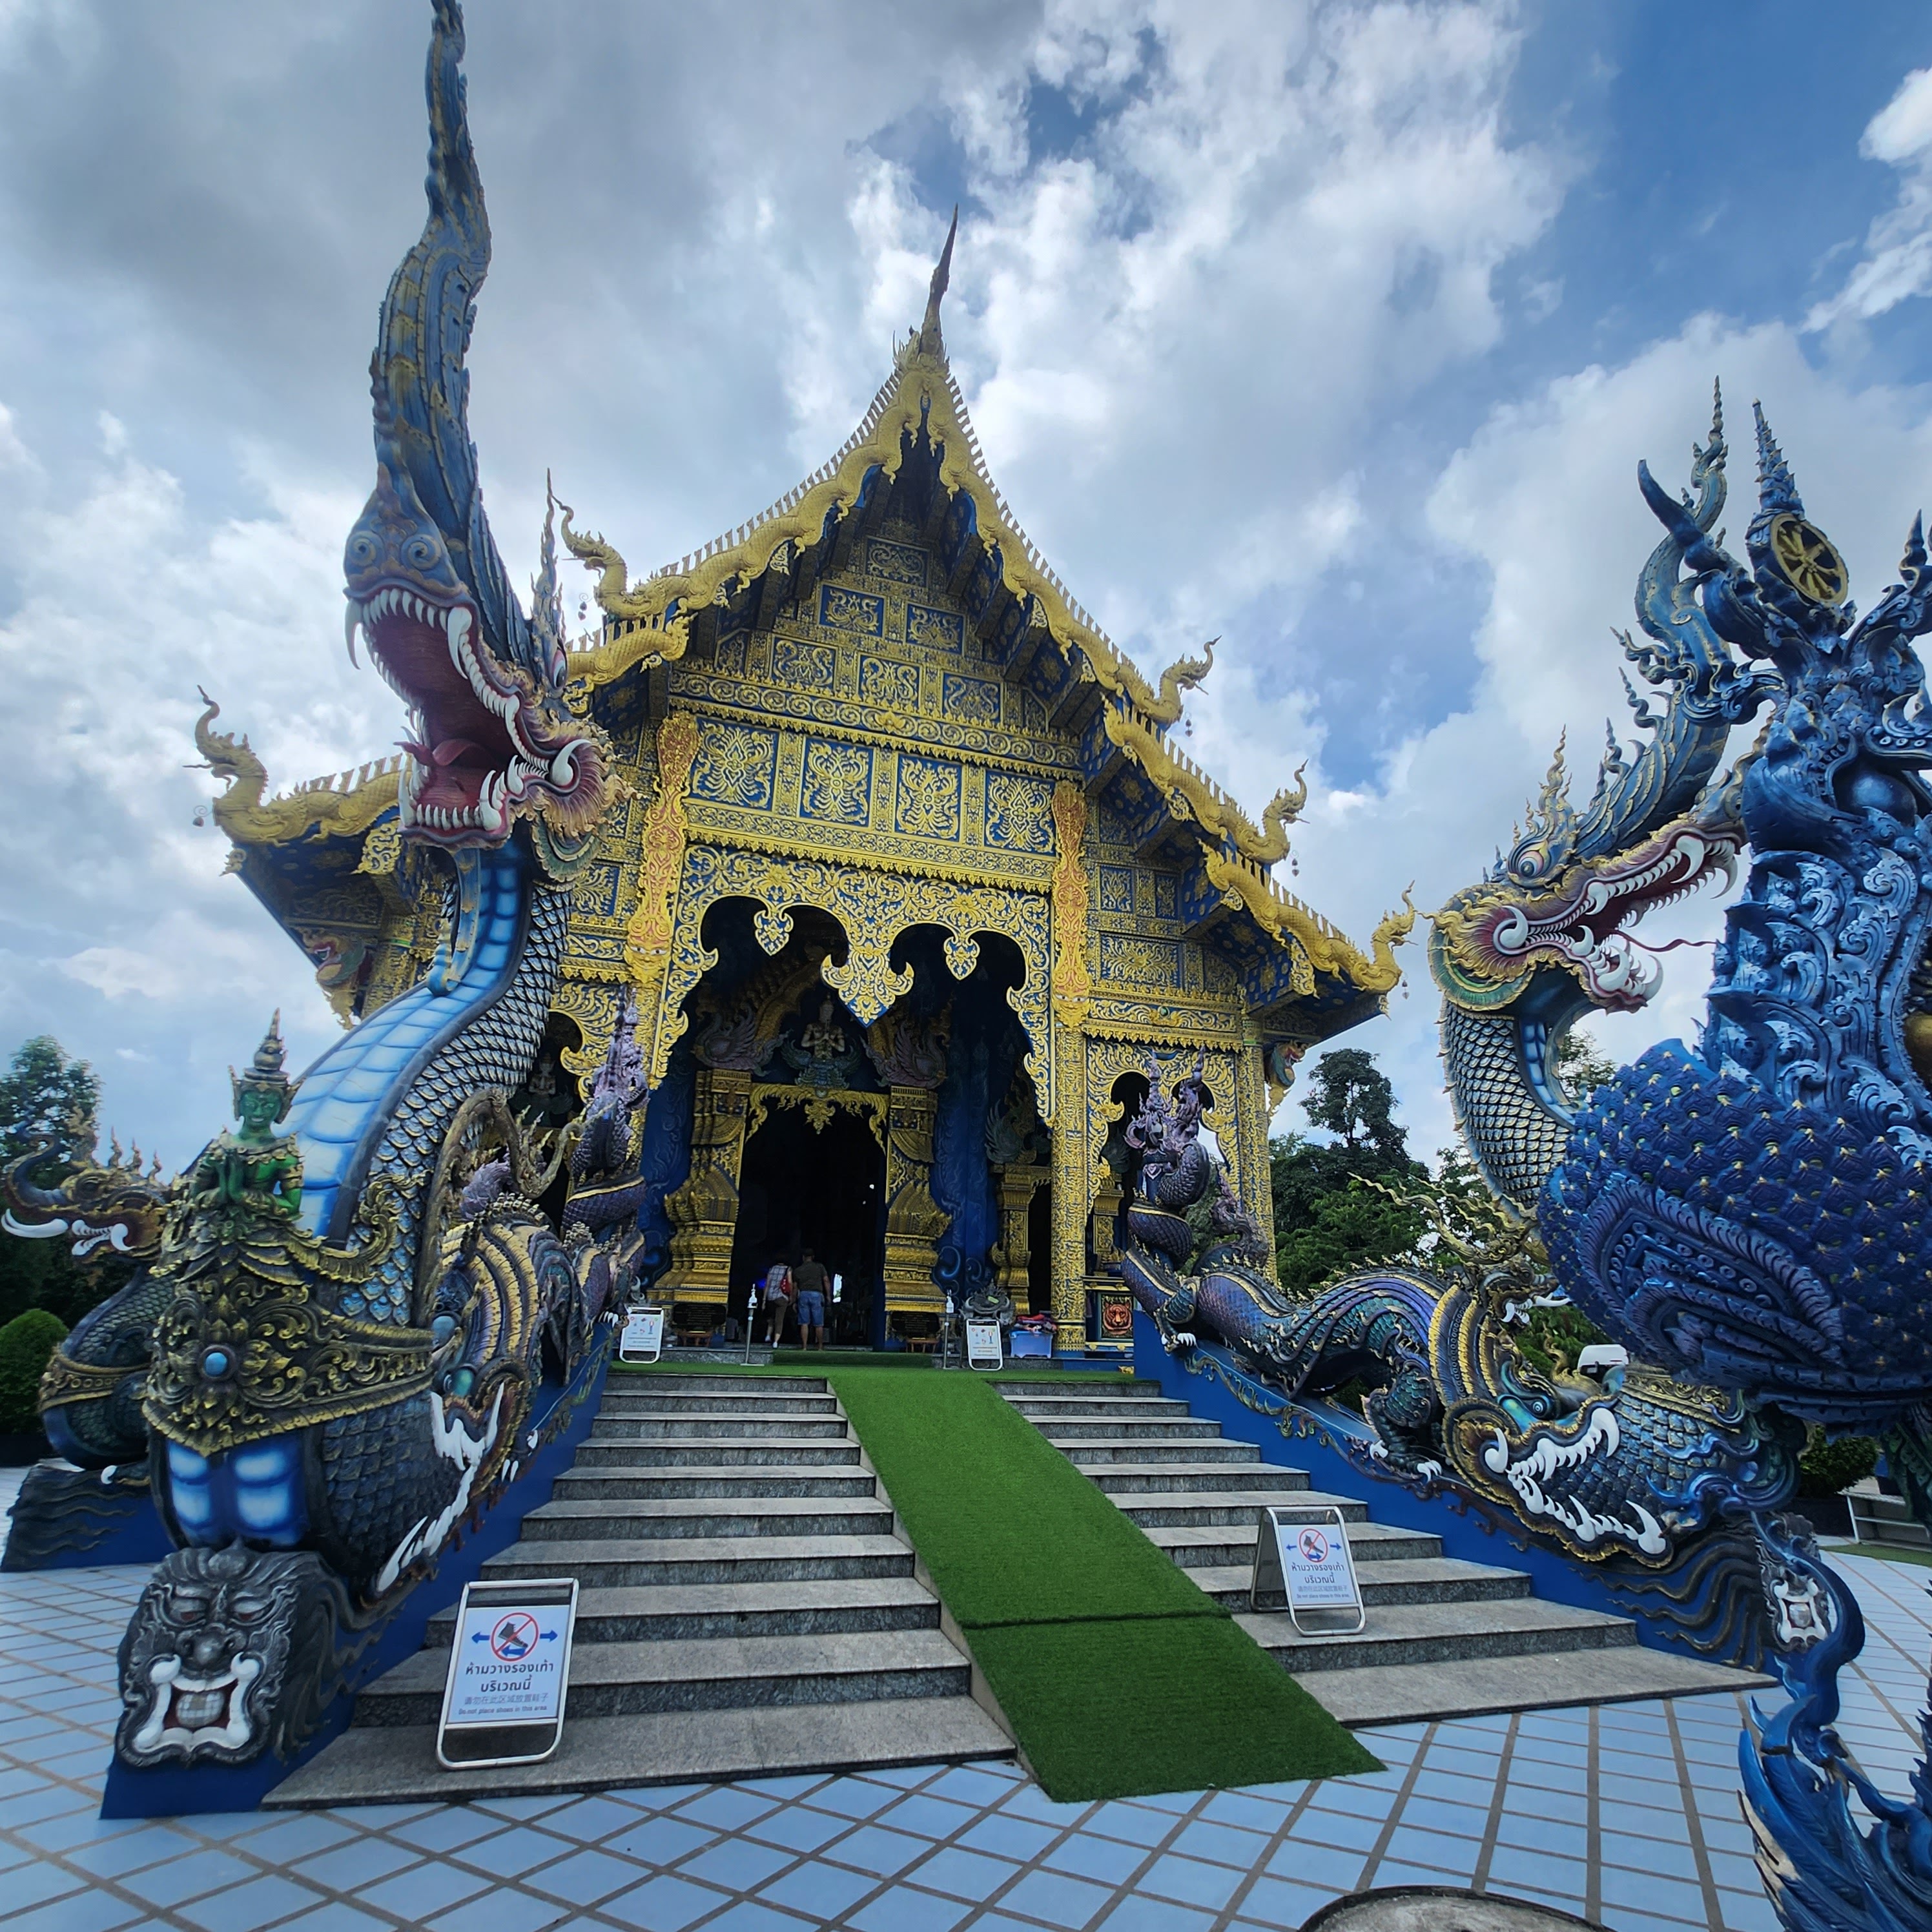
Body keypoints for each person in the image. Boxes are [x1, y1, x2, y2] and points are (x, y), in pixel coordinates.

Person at [793, 1248, 828, 1350]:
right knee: (819, 1323)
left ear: (803, 1257)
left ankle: (804, 1346)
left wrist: (793, 1300)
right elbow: (826, 1281)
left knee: (804, 1323)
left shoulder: (798, 1270)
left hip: (803, 1295)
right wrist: (828, 1296)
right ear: (813, 1257)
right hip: (817, 1295)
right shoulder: (820, 1267)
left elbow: (795, 1287)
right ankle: (820, 1346)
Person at [761, 1258, 794, 1346]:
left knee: (771, 1318)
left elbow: (767, 1284)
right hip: (781, 1297)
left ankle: (768, 1335)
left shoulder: (772, 1269)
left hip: (770, 1297)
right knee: (779, 1320)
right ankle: (776, 1341)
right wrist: (791, 1296)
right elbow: (790, 1283)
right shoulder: (788, 1269)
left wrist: (764, 1299)